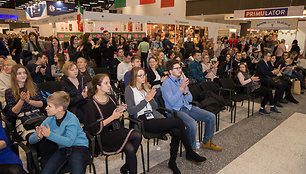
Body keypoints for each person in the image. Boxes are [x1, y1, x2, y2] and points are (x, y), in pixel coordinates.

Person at [125, 67, 206, 174]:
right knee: (178, 122)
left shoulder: (145, 88)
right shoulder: (129, 89)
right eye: (140, 75)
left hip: (153, 116)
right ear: (134, 77)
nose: (143, 77)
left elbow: (154, 107)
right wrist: (146, 100)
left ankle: (172, 162)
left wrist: (151, 97)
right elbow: (131, 111)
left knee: (177, 131)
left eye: (144, 75)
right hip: (143, 120)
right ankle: (190, 152)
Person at [86, 74, 141, 174]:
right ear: (98, 86)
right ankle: (127, 167)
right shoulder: (91, 103)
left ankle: (127, 168)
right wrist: (112, 117)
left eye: (109, 83)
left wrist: (120, 111)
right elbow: (93, 129)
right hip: (103, 136)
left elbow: (116, 117)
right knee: (136, 135)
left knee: (130, 149)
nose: (109, 85)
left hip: (116, 131)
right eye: (106, 83)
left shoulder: (111, 97)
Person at [162, 60, 222, 151]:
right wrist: (181, 89)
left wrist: (185, 93)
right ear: (170, 71)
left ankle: (207, 142)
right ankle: (191, 149)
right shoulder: (166, 84)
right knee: (192, 124)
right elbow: (172, 102)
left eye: (180, 68)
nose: (180, 70)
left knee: (211, 117)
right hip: (174, 111)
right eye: (177, 68)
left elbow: (190, 99)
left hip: (186, 107)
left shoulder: (181, 81)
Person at [29, 91, 89, 174]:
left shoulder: (72, 119)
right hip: (63, 149)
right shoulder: (49, 119)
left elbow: (69, 142)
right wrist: (38, 137)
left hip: (79, 148)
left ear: (60, 108)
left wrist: (49, 135)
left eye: (49, 106)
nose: (46, 108)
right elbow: (31, 140)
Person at [5, 64, 45, 139]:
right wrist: (22, 100)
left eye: (24, 73)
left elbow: (42, 104)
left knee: (47, 134)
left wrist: (29, 101)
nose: (23, 75)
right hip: (22, 120)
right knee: (36, 138)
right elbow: (13, 113)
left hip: (38, 116)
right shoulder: (9, 92)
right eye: (19, 73)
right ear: (14, 76)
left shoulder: (33, 86)